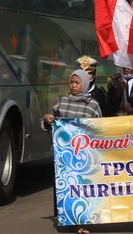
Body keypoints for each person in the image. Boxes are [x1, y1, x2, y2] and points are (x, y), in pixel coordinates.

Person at [42, 70, 102, 234]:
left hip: (85, 156)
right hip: (65, 156)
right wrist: (47, 119)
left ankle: (82, 221)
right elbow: (51, 122)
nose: (74, 86)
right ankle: (70, 218)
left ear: (85, 84)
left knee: (83, 187)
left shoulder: (93, 105)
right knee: (68, 188)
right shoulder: (62, 102)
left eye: (77, 83)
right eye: (71, 83)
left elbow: (100, 129)